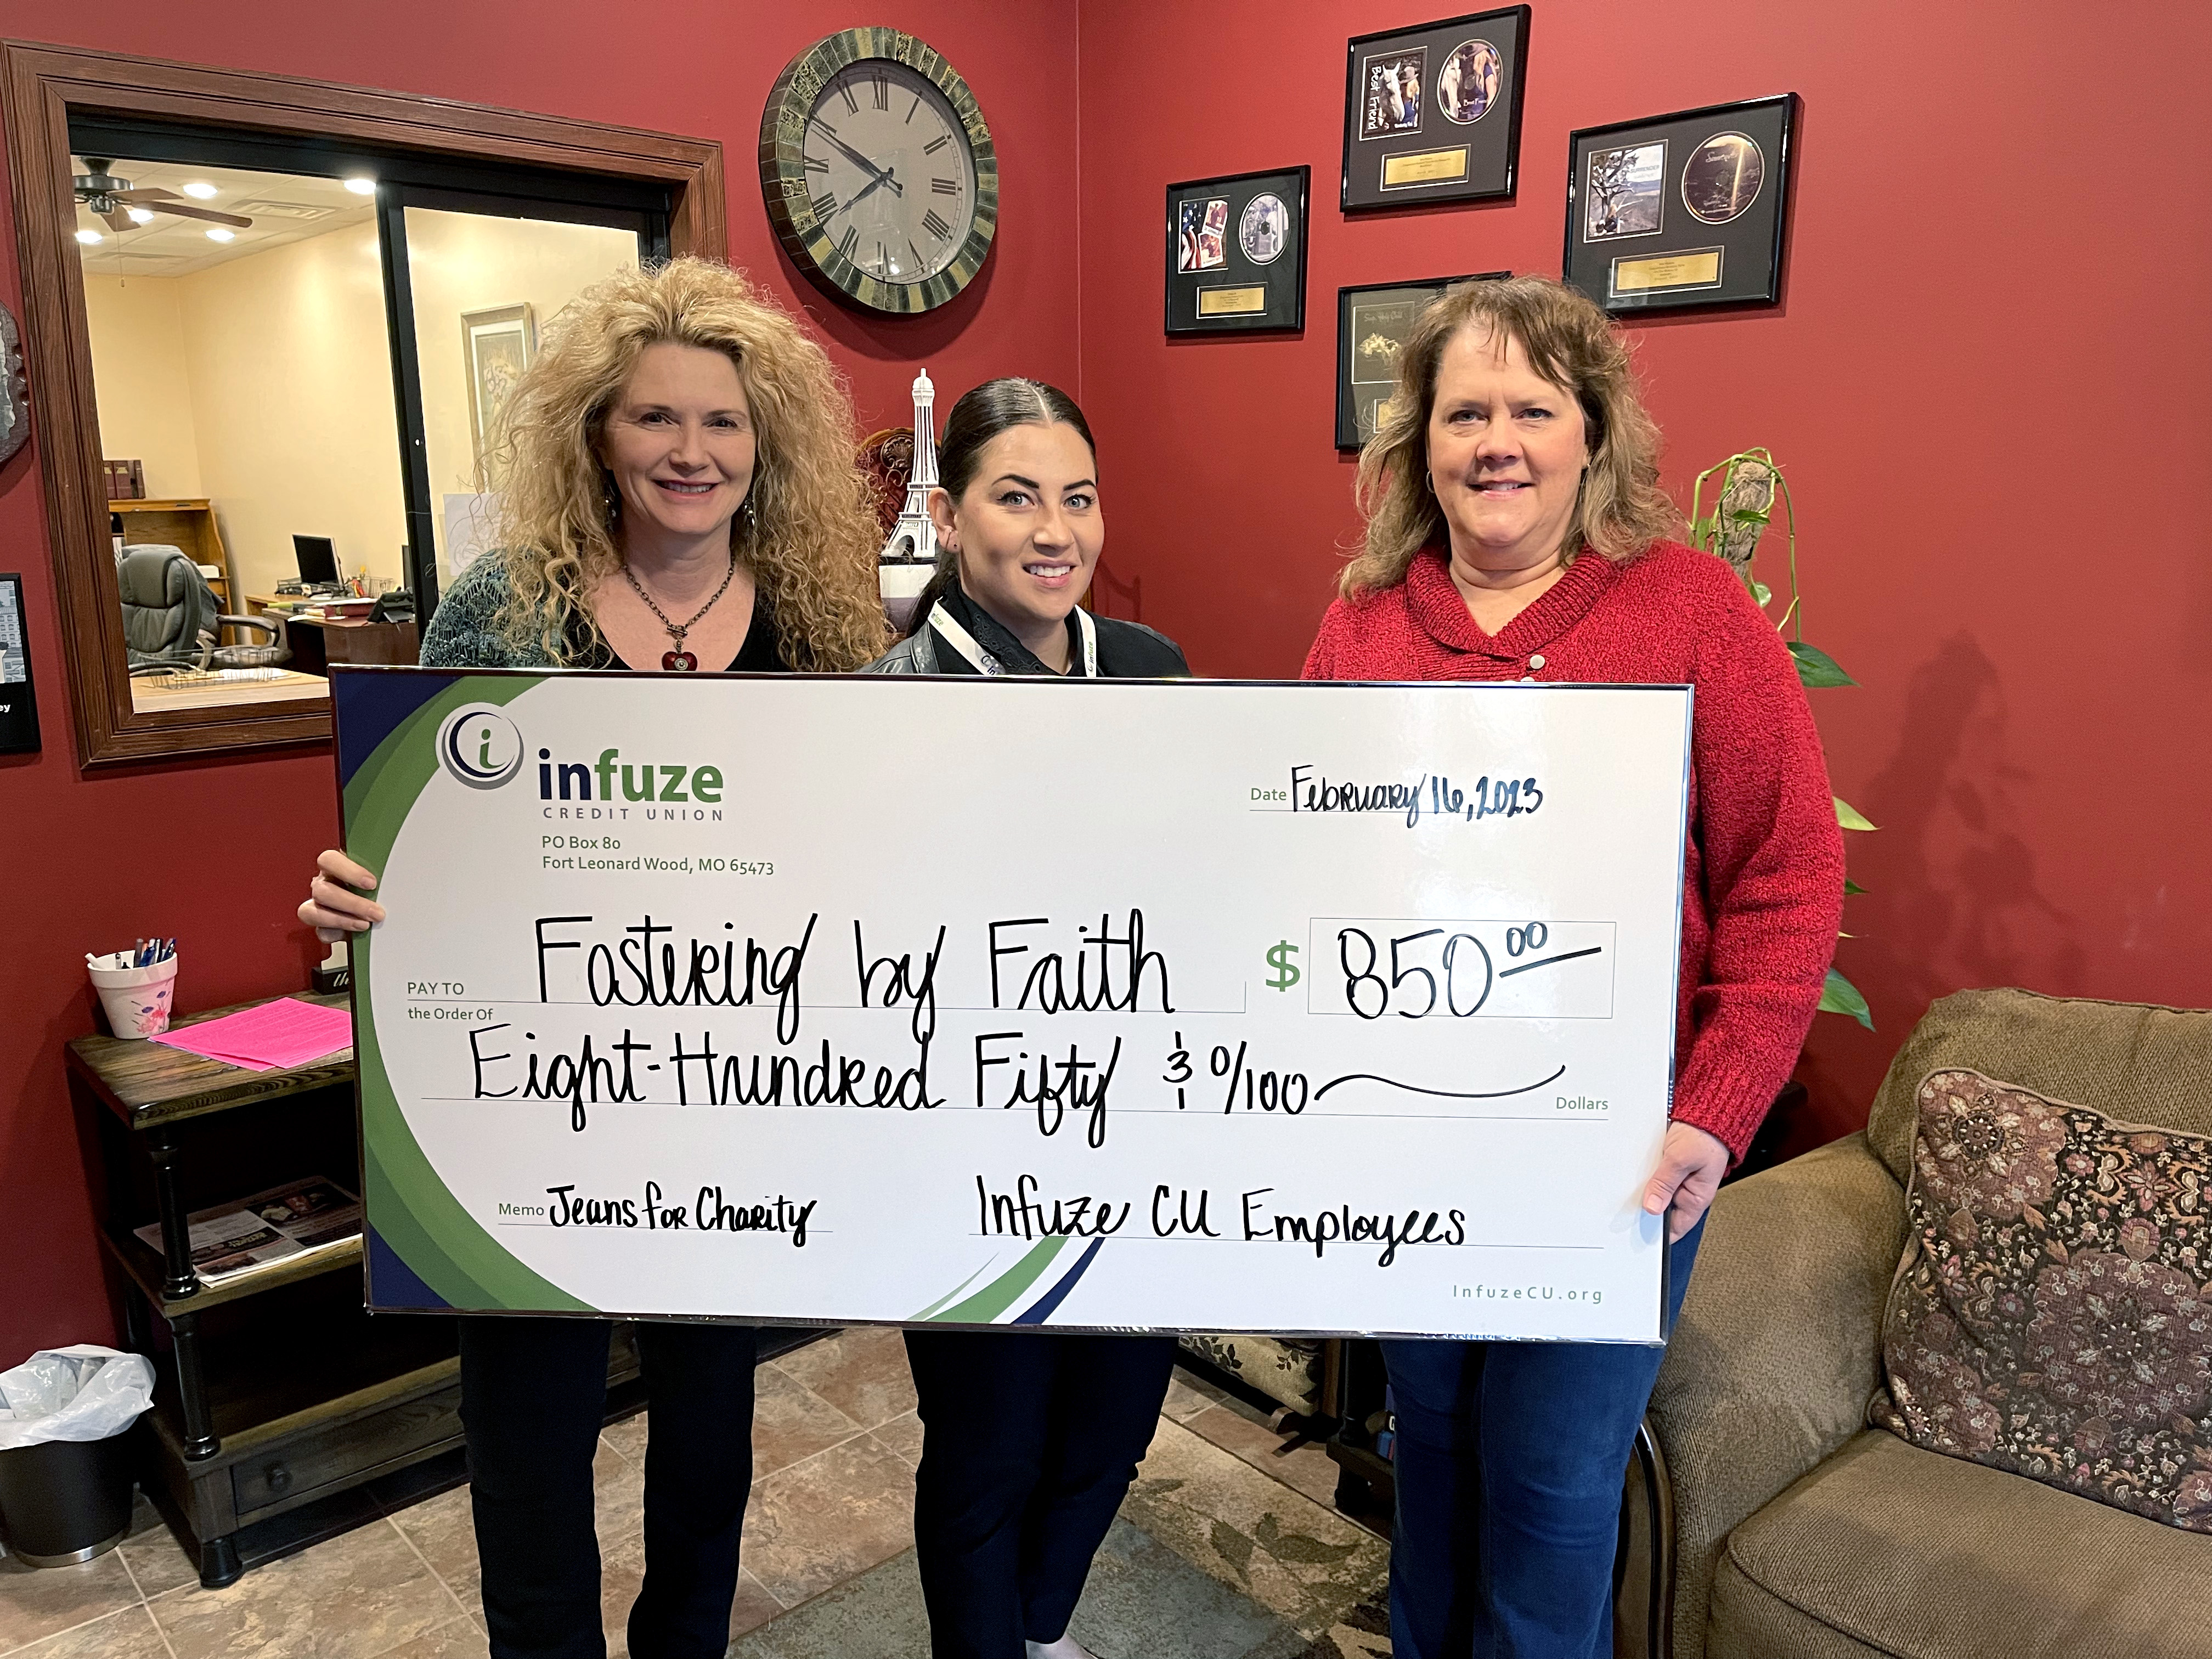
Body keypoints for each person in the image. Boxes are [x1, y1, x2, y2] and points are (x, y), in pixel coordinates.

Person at [298, 256, 887, 1659]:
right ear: (595, 436)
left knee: (709, 1437)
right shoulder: (499, 613)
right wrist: (351, 894)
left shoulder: (816, 626)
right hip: (530, 1110)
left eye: (724, 424)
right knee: (526, 1445)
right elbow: (422, 835)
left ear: (767, 447)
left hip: (733, 1107)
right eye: (654, 419)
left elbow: (862, 847)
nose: (692, 452)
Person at [1301, 274, 1844, 1659]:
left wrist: (1713, 1114)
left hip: (1618, 1162)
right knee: (1427, 1463)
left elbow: (1786, 877)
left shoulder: (1693, 614)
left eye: (1534, 409)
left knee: (1550, 1496)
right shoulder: (1363, 622)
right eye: (1464, 409)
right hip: (1410, 1143)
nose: (1499, 441)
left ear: (1593, 435)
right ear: (1416, 440)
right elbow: (1300, 860)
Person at [863, 378, 1186, 1659]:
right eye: (1015, 498)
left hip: (1138, 1139)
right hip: (966, 1156)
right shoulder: (884, 707)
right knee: (989, 1446)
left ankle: (1040, 1629)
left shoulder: (1158, 672)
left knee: (1114, 1425)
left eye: (1080, 498)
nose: (1056, 531)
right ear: (947, 518)